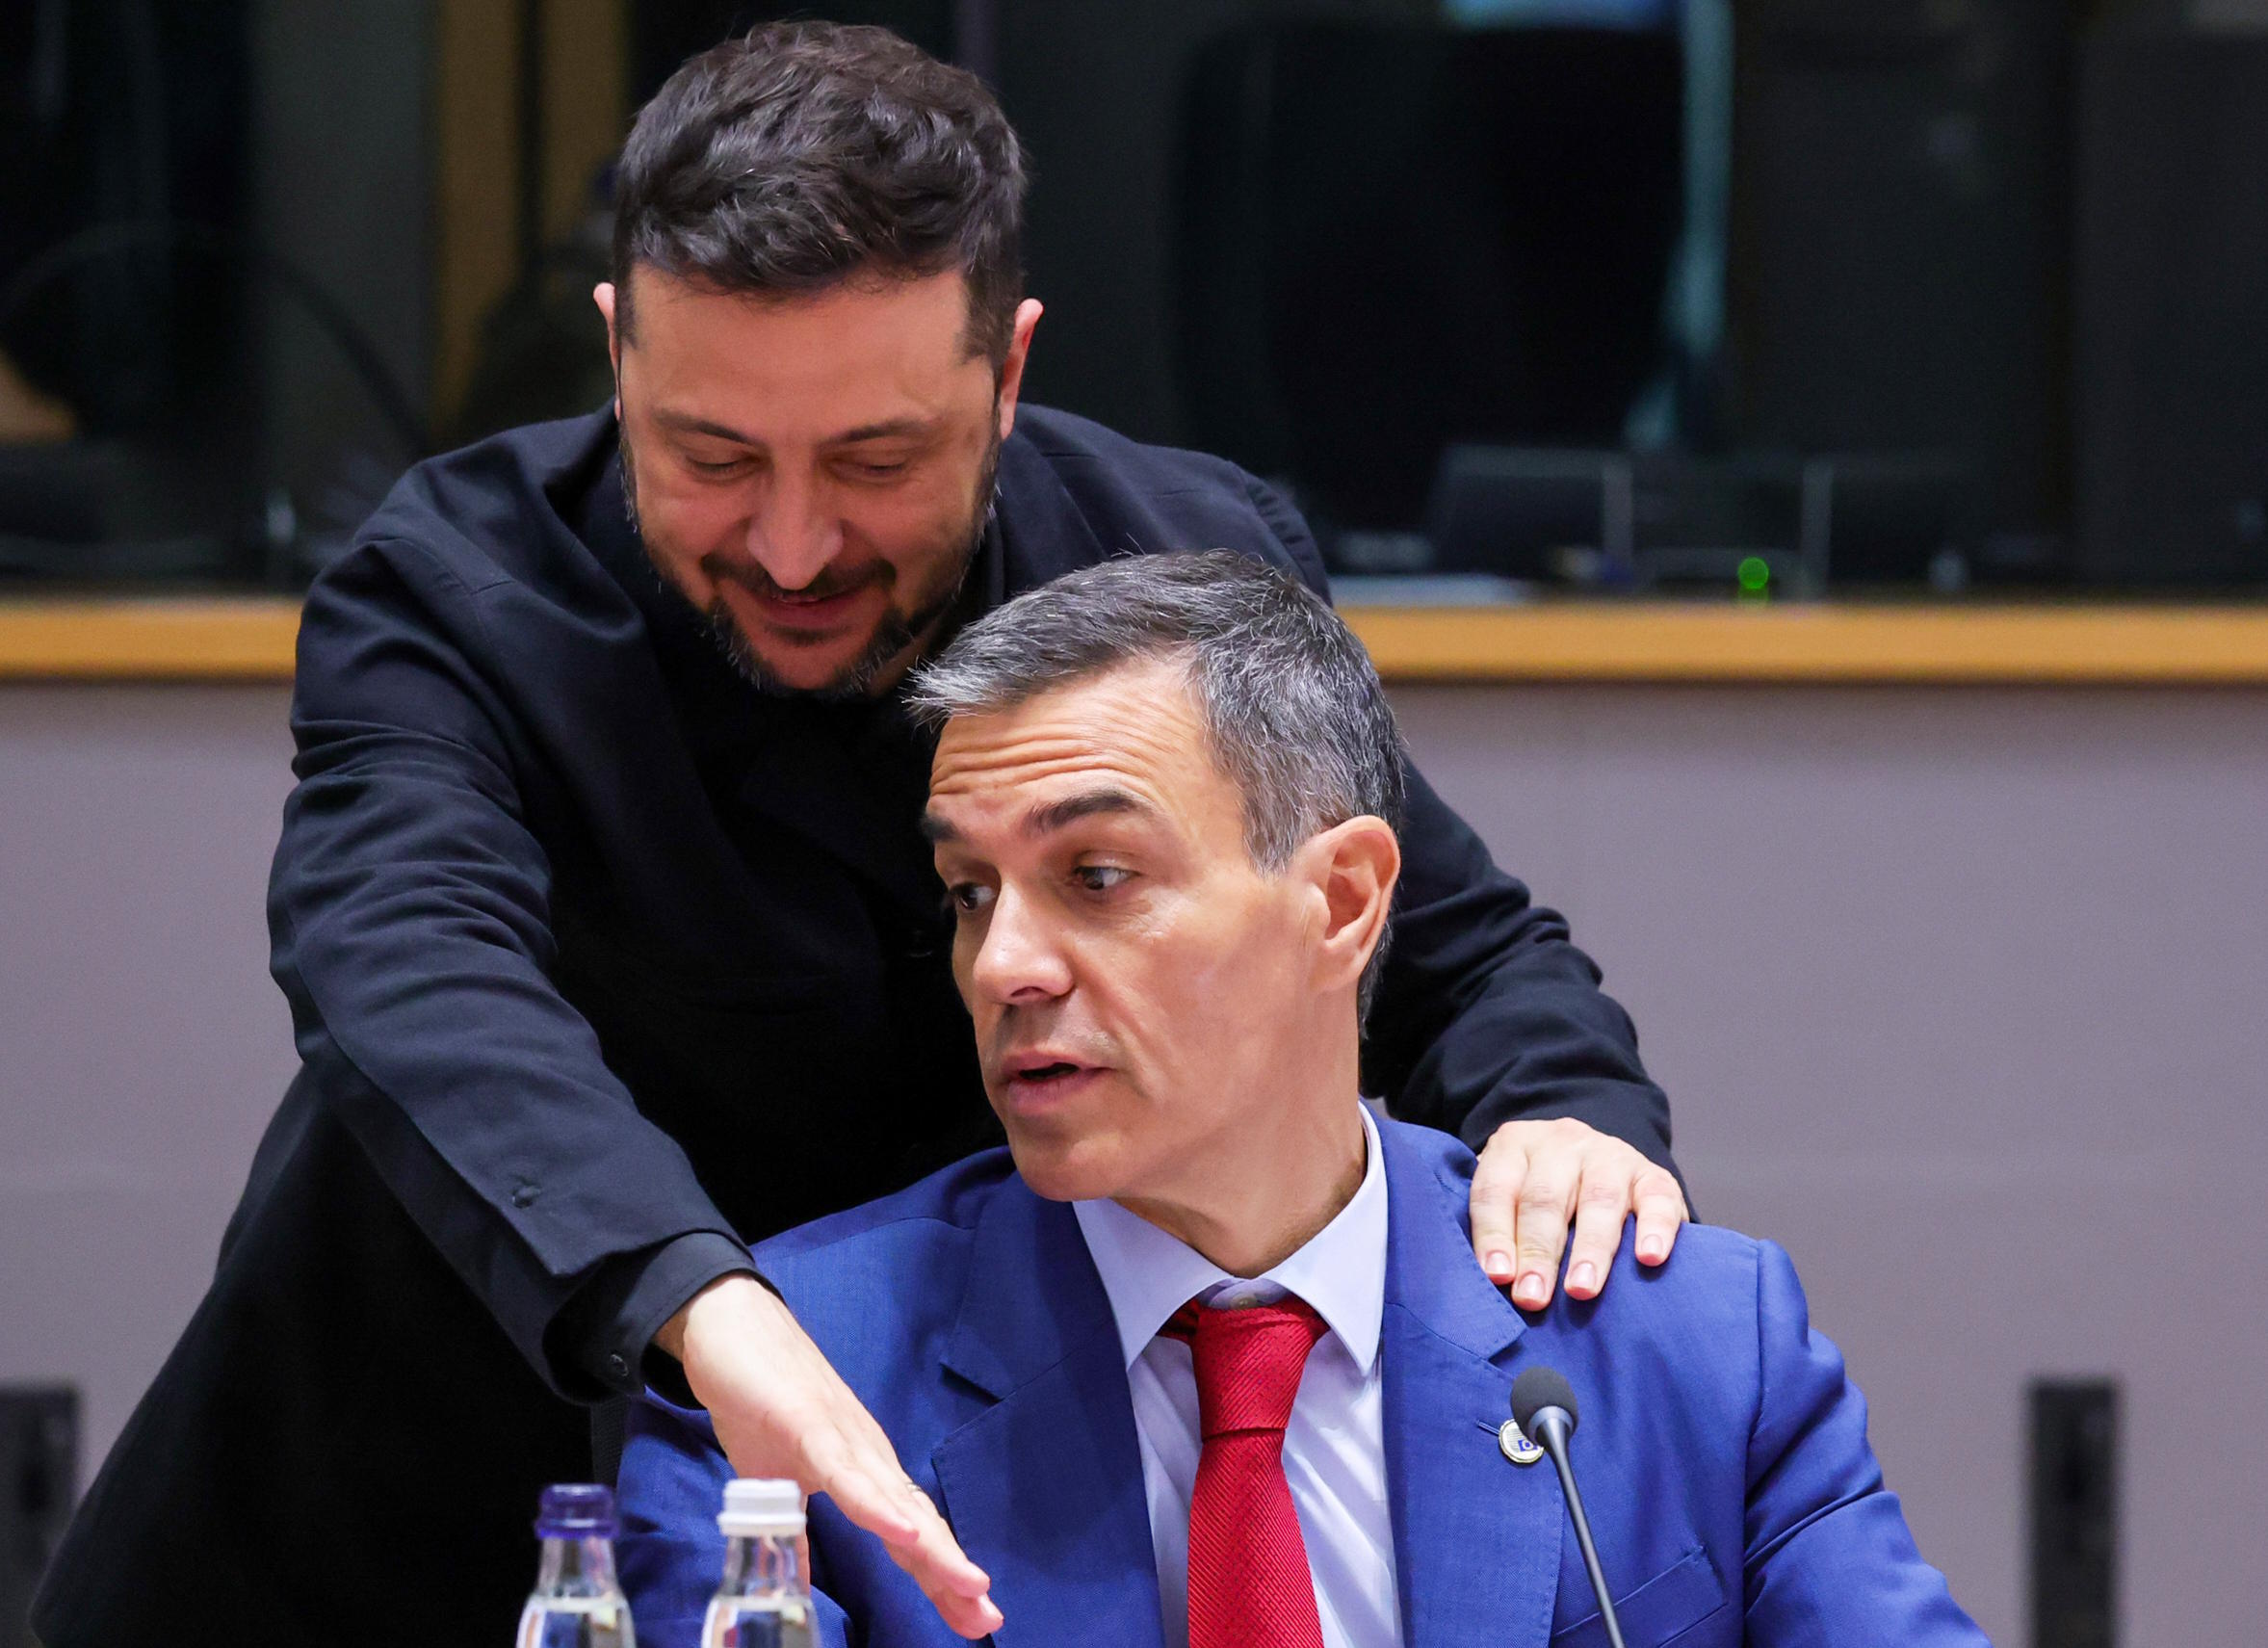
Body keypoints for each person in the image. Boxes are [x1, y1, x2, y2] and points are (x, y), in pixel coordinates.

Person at [35, 23, 1687, 1648]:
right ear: (618, 354)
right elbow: (411, 965)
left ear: (1011, 369)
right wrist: (705, 1302)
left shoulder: (1175, 557)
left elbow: (1446, 947)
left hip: (928, 1538)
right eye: (712, 456)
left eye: (879, 459)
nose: (797, 542)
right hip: (405, 1526)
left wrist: (1567, 1119)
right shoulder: (454, 592)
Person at [614, 552, 1988, 1648]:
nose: (1005, 966)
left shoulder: (1684, 1348)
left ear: (1340, 899)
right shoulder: (800, 1375)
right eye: (972, 893)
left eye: (1097, 878)